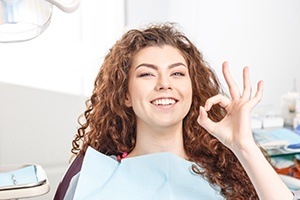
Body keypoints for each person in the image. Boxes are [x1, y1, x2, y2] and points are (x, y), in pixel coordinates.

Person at [54, 23, 294, 200]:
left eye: (177, 73)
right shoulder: (90, 177)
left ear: (192, 89)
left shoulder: (228, 177)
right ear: (125, 95)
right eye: (147, 73)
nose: (164, 84)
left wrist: (243, 146)